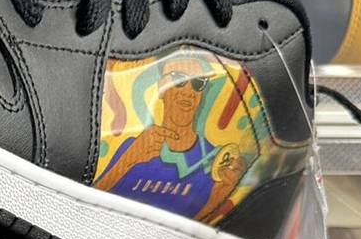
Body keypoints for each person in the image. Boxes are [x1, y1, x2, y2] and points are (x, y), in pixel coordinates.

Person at [96, 56, 248, 219]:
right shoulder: (133, 148)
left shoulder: (215, 162)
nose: (188, 91)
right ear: (161, 87)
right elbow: (88, 200)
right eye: (178, 79)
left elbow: (193, 227)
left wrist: (215, 200)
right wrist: (128, 161)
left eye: (198, 83)